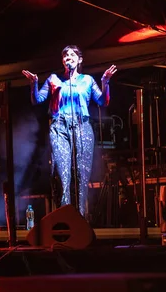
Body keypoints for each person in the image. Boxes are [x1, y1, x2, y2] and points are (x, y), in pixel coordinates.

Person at [22, 45, 117, 218]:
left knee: (81, 175)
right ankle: (63, 219)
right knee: (62, 173)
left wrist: (105, 83)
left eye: (72, 55)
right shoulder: (54, 79)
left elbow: (103, 101)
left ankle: (80, 219)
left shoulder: (87, 80)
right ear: (62, 61)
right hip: (60, 127)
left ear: (79, 60)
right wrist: (33, 84)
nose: (68, 57)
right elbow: (37, 100)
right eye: (65, 55)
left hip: (82, 126)